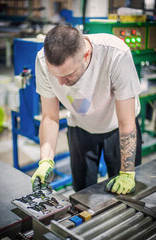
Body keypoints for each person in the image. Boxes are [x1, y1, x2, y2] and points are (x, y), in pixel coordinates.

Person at [31, 24, 142, 194]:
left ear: (86, 55)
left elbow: (126, 121)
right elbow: (50, 117)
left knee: (128, 194)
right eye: (56, 75)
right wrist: (46, 161)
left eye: (68, 74)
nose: (60, 82)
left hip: (117, 128)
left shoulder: (116, 54)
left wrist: (127, 173)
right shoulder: (42, 61)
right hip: (80, 126)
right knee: (82, 193)